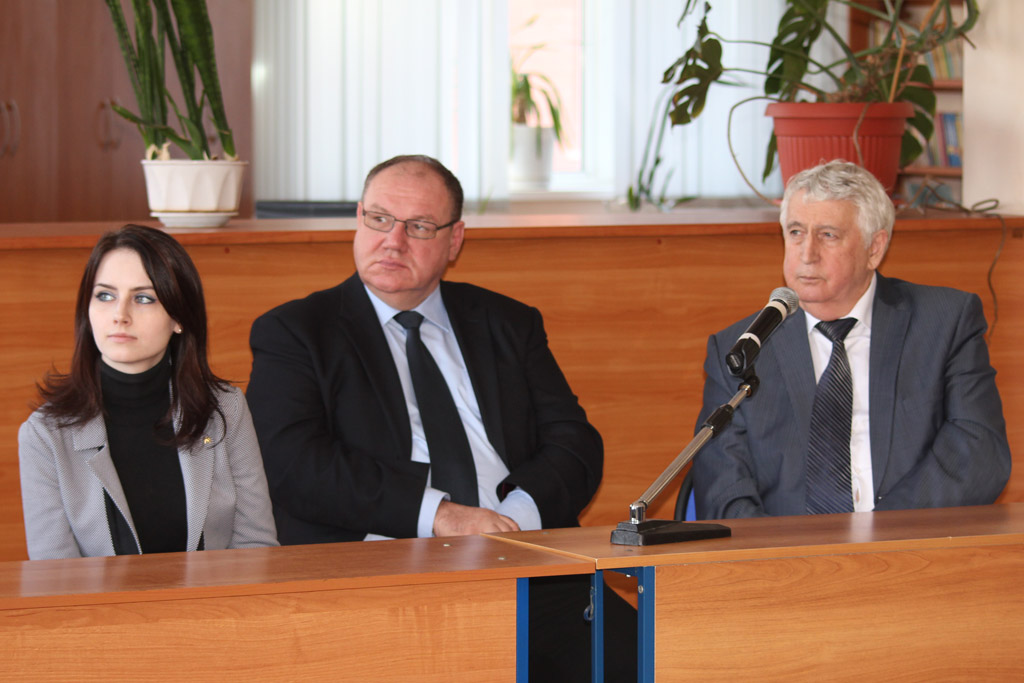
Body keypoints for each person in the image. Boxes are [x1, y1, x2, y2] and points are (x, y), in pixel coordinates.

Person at [247, 154, 631, 681]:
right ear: (358, 218)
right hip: (378, 576)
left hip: (524, 565)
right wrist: (442, 516)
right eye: (379, 219)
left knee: (652, 660)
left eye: (420, 226)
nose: (393, 241)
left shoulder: (507, 322)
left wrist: (514, 521)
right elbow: (295, 464)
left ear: (455, 240)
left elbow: (574, 441)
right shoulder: (296, 332)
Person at [693, 160, 1011, 519]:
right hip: (784, 551)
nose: (807, 254)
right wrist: (781, 552)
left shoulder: (944, 323)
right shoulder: (742, 350)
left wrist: (880, 537)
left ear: (875, 248)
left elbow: (980, 453)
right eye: (796, 232)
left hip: (908, 542)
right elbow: (723, 488)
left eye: (828, 235)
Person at [18, 225, 278, 559]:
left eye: (143, 298)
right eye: (105, 296)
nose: (120, 315)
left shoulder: (226, 410)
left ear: (179, 317)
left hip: (218, 594)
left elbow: (255, 548)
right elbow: (55, 576)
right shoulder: (45, 434)